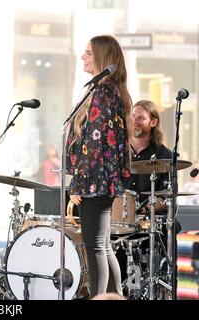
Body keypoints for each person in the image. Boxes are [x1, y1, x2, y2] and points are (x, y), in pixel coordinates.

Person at [66, 35, 132, 298]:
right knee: (103, 246)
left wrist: (77, 182)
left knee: (95, 247)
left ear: (103, 58)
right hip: (102, 179)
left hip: (95, 180)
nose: (83, 57)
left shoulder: (104, 92)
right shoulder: (108, 90)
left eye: (88, 53)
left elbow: (94, 144)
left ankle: (99, 297)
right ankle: (115, 296)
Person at [126, 99, 172, 216]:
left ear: (153, 122)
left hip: (150, 218)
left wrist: (145, 210)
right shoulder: (118, 151)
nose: (135, 121)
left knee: (171, 226)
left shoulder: (164, 155)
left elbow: (166, 196)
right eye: (133, 116)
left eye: (141, 118)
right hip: (120, 218)